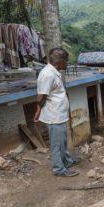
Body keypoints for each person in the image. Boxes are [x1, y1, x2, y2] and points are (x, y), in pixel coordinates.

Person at [34, 48, 79, 177]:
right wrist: (38, 111)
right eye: (67, 61)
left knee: (62, 142)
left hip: (59, 115)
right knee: (56, 144)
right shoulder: (48, 74)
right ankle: (59, 169)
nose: (67, 64)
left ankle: (66, 161)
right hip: (54, 116)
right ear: (61, 61)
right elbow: (41, 96)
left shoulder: (54, 73)